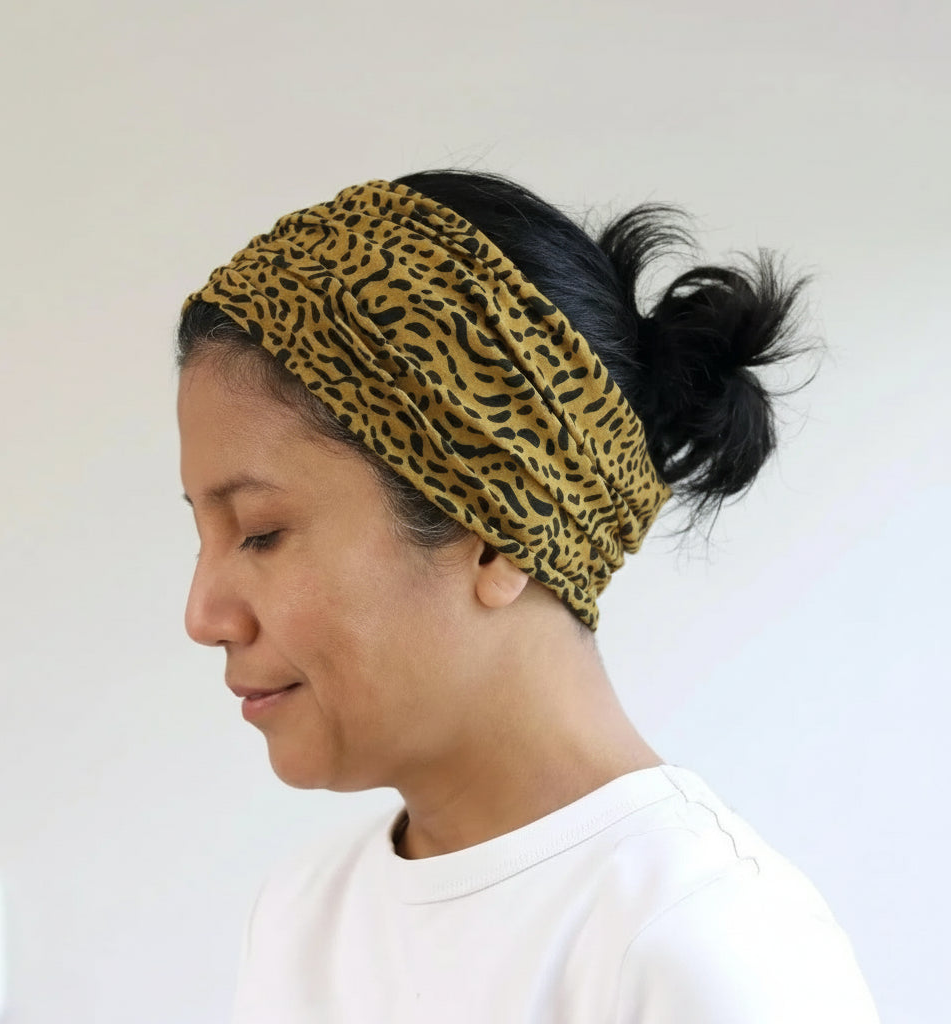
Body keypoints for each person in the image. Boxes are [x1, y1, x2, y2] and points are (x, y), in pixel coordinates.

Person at [176, 171, 880, 1022]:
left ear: (497, 533)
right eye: (203, 536)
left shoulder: (706, 945)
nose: (204, 615)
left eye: (259, 533)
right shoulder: (304, 913)